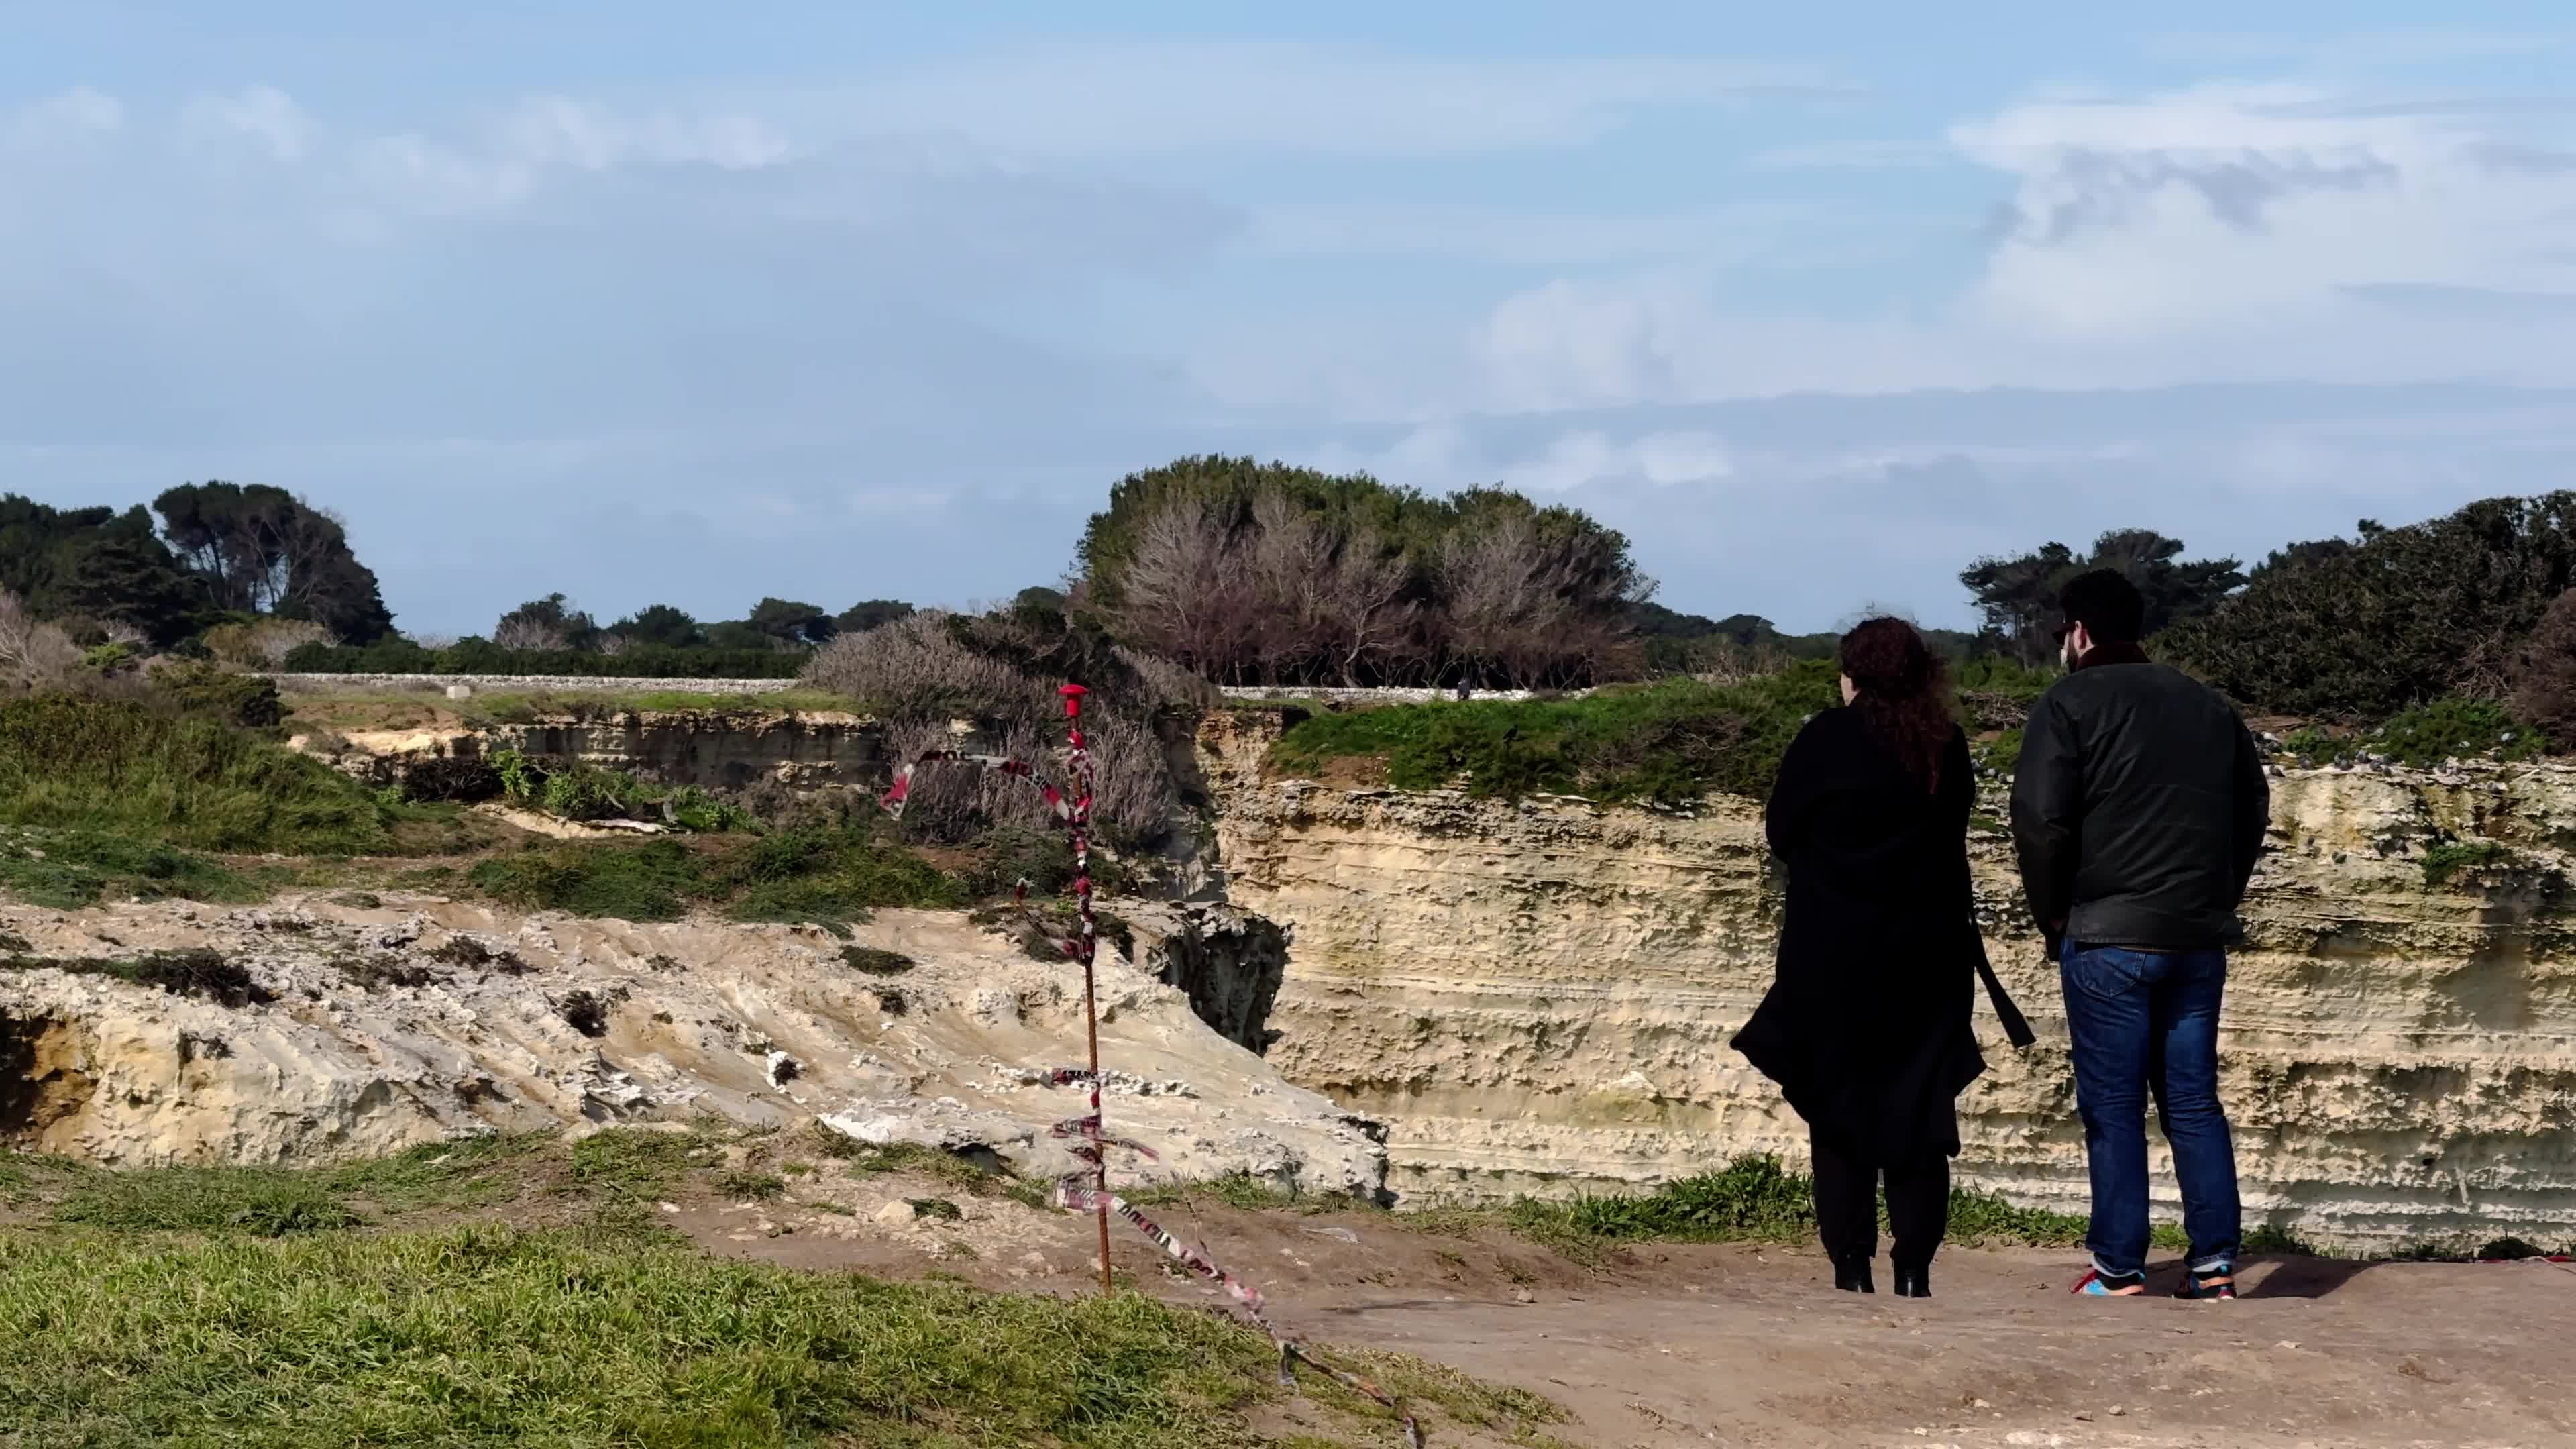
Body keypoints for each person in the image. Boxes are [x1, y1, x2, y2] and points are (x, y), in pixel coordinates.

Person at [2009, 568, 2270, 1301]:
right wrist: (2217, 897)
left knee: (2114, 1107)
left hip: (2106, 936)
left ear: (2080, 631)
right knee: (2193, 1105)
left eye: (2064, 632)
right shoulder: (2206, 703)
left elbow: (2040, 820)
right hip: (2195, 937)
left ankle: (2120, 1269)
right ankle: (2215, 1267)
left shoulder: (2067, 701)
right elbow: (2252, 807)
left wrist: (2054, 913)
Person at [1733, 616, 1998, 1299]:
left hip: (1832, 954)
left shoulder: (1823, 738)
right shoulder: (1944, 741)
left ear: (1851, 674)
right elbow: (1954, 833)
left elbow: (1782, 833)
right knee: (1919, 1112)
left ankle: (1851, 1266)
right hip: (1927, 957)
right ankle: (1915, 1268)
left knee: (1839, 1109)